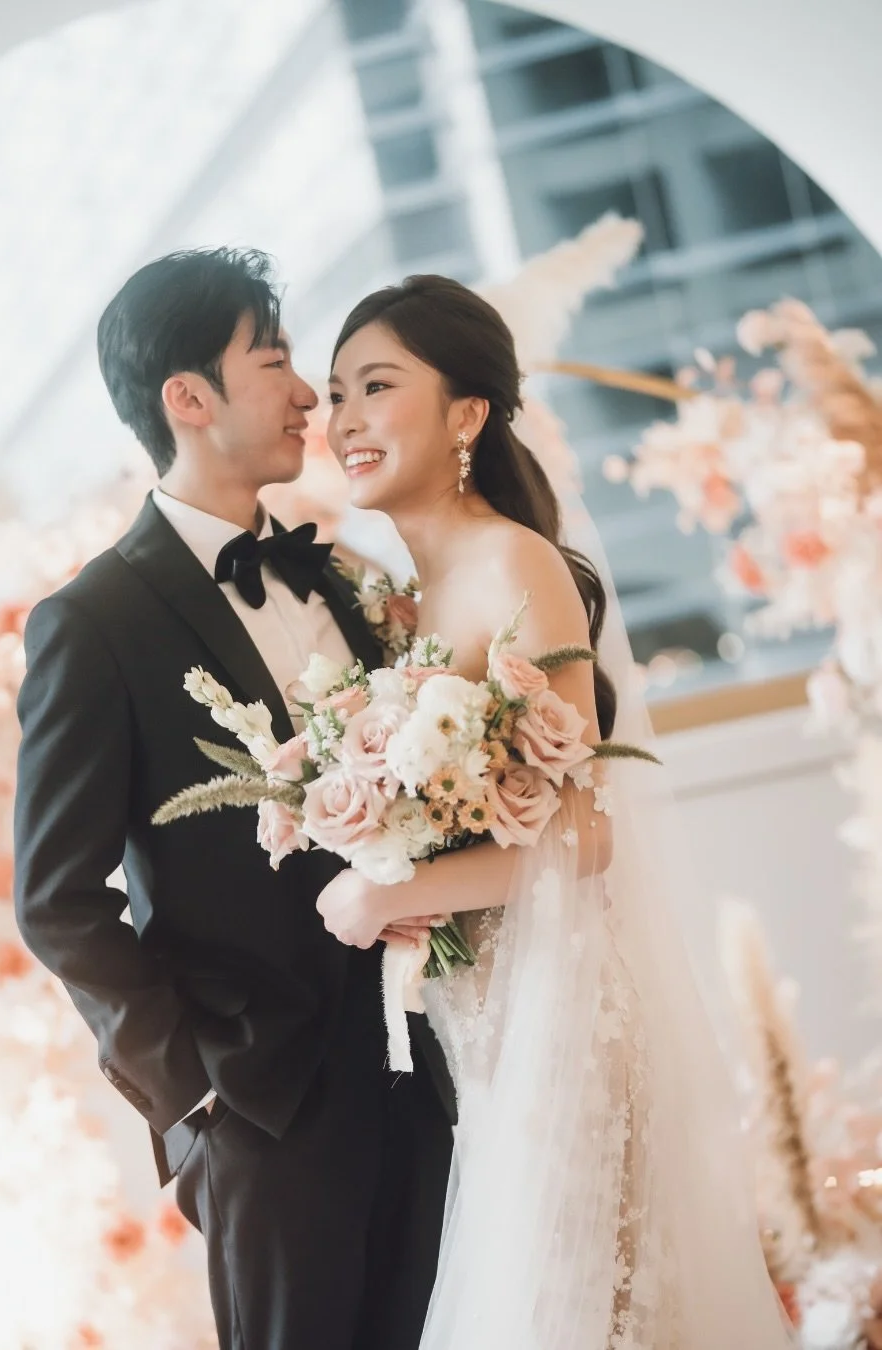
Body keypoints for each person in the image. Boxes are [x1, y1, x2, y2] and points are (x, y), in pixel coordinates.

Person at [317, 274, 794, 1348]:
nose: (345, 418)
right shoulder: (404, 597)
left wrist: (387, 889)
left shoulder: (512, 560)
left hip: (561, 1015)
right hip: (482, 1024)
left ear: (466, 414)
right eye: (335, 392)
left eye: (377, 386)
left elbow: (583, 830)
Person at [12, 248, 454, 1350]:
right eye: (276, 360)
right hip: (264, 1104)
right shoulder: (94, 623)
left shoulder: (340, 573)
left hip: (420, 1063)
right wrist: (195, 1093)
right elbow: (56, 899)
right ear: (190, 399)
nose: (309, 395)